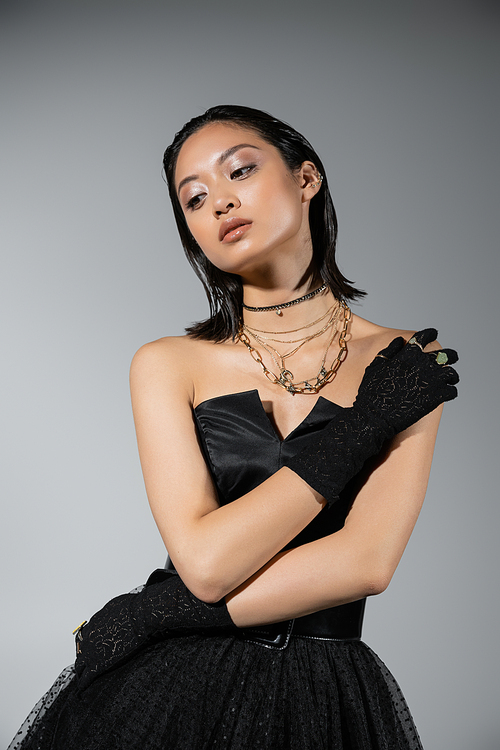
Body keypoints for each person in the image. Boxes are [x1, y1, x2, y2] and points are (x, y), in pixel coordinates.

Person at [9, 105, 459, 750]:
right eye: (194, 199)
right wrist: (362, 429)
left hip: (324, 689)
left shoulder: (406, 364)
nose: (218, 204)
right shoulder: (169, 363)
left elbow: (365, 562)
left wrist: (153, 614)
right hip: (171, 686)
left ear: (307, 178)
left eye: (240, 171)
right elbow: (208, 565)